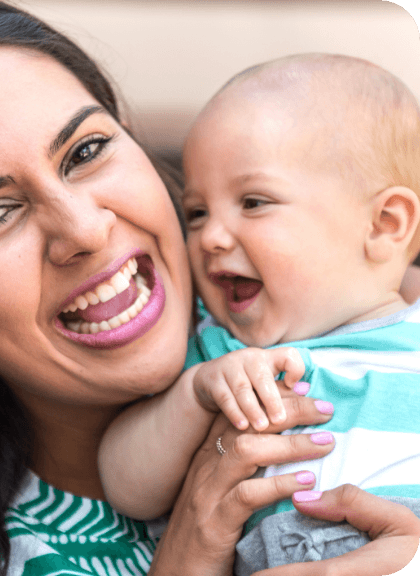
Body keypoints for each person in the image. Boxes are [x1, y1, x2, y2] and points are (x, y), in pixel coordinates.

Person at [99, 54, 420, 573]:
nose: (211, 237)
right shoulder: (222, 351)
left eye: (253, 202)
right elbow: (126, 485)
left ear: (384, 224)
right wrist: (198, 390)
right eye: (197, 213)